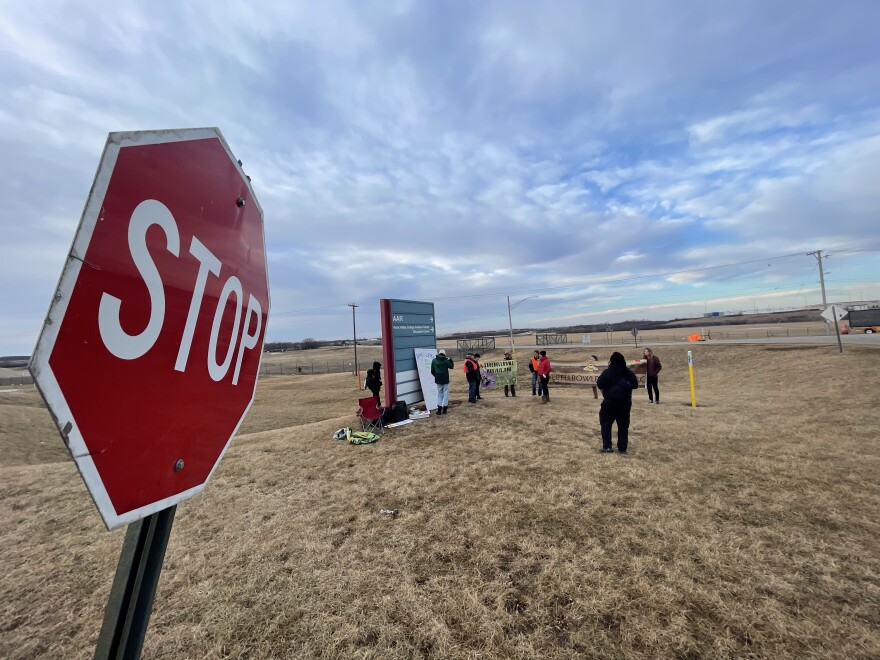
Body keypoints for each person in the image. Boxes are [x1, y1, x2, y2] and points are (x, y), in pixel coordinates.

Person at [596, 351, 639, 454]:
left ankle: (607, 447)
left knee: (606, 424)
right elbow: (635, 385)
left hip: (609, 402)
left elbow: (599, 384)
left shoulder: (607, 372)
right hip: (625, 403)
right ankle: (622, 448)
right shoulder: (627, 372)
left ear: (611, 361)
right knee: (623, 425)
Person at [430, 349, 454, 415]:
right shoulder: (445, 361)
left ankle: (439, 409)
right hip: (445, 379)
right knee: (445, 394)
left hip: (438, 379)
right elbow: (451, 367)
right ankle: (445, 409)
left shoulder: (434, 361)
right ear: (444, 354)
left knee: (440, 394)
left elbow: (432, 371)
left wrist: (436, 376)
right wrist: (450, 359)